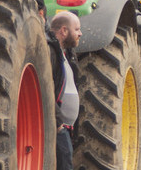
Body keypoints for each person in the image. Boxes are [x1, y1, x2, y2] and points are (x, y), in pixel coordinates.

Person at [49, 11, 82, 170]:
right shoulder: (51, 53)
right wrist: (57, 123)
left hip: (66, 128)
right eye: (76, 29)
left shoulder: (67, 54)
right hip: (57, 127)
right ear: (63, 31)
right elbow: (47, 90)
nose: (80, 33)